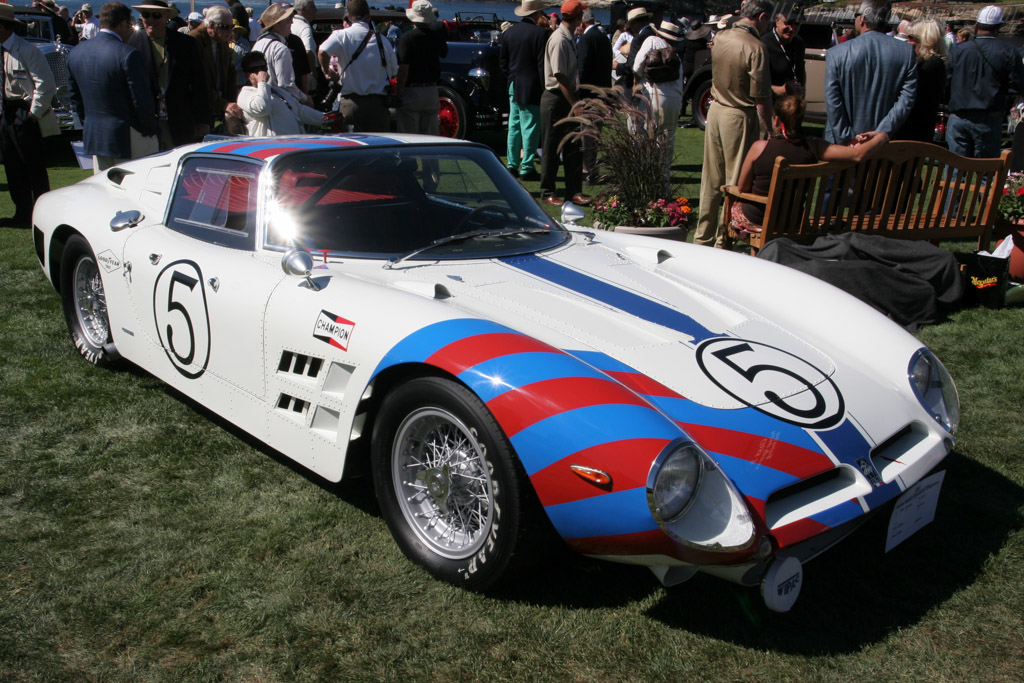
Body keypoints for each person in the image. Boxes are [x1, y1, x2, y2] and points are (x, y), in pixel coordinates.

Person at [731, 94, 889, 235]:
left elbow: (743, 188)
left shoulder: (759, 147)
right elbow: (857, 155)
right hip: (794, 221)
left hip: (759, 219)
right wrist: (881, 136)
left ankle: (756, 254)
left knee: (735, 203)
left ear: (777, 119)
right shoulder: (814, 147)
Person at [693, 0, 774, 248]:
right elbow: (761, 97)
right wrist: (769, 129)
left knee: (710, 179)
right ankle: (722, 240)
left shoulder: (721, 37)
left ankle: (702, 237)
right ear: (761, 17)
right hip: (738, 114)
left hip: (715, 110)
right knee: (734, 182)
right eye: (768, 20)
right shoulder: (755, 47)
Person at [67, 1, 158, 172]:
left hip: (96, 135)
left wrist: (89, 123)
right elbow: (141, 101)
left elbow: (75, 99)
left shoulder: (76, 53)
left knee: (104, 192)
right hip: (130, 136)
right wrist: (150, 130)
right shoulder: (128, 54)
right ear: (124, 24)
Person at [824, 0, 917, 146]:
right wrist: (881, 132)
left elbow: (833, 100)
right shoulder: (906, 52)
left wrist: (847, 137)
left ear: (862, 19)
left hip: (842, 147)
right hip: (882, 146)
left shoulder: (836, 53)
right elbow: (906, 99)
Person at [0, 5, 60, 226]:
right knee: (12, 165)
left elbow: (45, 85)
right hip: (4, 111)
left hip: (22, 111)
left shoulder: (26, 50)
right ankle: (22, 212)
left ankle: (42, 213)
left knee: (33, 166)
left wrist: (33, 114)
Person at [128, 0, 209, 149]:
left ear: (166, 17)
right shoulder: (132, 44)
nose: (151, 20)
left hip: (179, 120)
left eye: (156, 15)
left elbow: (199, 83)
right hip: (145, 123)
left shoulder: (186, 44)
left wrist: (202, 120)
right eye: (146, 15)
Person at [947, 5, 1024, 158]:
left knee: (955, 171)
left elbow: (947, 80)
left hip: (958, 116)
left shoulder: (959, 50)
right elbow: (1017, 85)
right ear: (999, 27)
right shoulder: (1009, 52)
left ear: (976, 26)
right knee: (985, 174)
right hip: (988, 117)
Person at [318, 0, 397, 132]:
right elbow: (394, 70)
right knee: (378, 148)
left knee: (349, 148)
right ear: (368, 16)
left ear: (348, 15)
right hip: (378, 105)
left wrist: (327, 72)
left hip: (351, 104)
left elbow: (322, 52)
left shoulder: (341, 35)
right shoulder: (382, 41)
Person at [539, 0, 587, 207]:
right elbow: (559, 76)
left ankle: (573, 190)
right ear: (578, 18)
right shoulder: (559, 39)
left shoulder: (567, 38)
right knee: (551, 147)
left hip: (565, 96)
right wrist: (575, 102)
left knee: (573, 146)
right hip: (557, 98)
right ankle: (548, 191)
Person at [632, 20, 684, 194]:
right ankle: (664, 188)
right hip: (674, 100)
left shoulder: (651, 41)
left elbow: (636, 66)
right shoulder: (676, 55)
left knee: (647, 142)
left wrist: (638, 82)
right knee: (666, 146)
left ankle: (646, 187)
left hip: (653, 96)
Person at [500, 0, 547, 179]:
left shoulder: (510, 33)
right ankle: (527, 166)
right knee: (530, 127)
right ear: (536, 14)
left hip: (514, 83)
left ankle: (512, 164)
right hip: (531, 85)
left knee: (514, 126)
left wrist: (511, 77)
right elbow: (541, 65)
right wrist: (544, 87)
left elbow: (503, 62)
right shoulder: (540, 34)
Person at [237, 51, 327, 136]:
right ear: (247, 74)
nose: (261, 72)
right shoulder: (245, 94)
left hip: (293, 144)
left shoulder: (277, 91)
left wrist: (326, 118)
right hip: (268, 146)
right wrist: (262, 83)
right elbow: (262, 108)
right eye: (255, 70)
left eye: (263, 68)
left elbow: (299, 110)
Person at [394, 0, 446, 136]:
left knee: (409, 138)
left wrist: (398, 94)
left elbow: (403, 69)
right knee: (430, 138)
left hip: (412, 90)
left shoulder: (407, 38)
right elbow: (444, 53)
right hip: (431, 90)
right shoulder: (436, 36)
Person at [190, 6, 243, 135]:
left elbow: (231, 73)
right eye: (225, 27)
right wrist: (225, 105)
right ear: (212, 25)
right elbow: (198, 83)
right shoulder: (194, 40)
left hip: (219, 107)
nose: (230, 32)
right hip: (200, 111)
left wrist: (232, 102)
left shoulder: (221, 38)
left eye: (232, 28)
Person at [895, 19, 946, 143]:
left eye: (911, 37)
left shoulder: (931, 65)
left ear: (925, 39)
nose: (908, 41)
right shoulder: (924, 63)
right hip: (913, 131)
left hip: (913, 133)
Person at [576, 7, 611, 183]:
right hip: (602, 93)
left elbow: (582, 69)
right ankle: (593, 170)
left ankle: (587, 171)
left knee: (587, 135)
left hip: (589, 94)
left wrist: (579, 96)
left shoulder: (586, 39)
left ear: (582, 22)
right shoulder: (604, 37)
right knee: (595, 134)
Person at [253, 3, 309, 104]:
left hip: (260, 98)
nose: (291, 22)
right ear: (277, 26)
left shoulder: (258, 44)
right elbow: (286, 85)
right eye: (287, 20)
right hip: (278, 104)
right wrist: (305, 98)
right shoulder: (281, 49)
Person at [762, 3, 805, 97]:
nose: (792, 28)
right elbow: (756, 84)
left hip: (793, 103)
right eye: (788, 23)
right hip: (771, 103)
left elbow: (800, 71)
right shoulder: (763, 44)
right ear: (777, 21)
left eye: (797, 24)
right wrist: (780, 90)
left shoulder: (799, 43)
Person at [291, 0, 318, 93]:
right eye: (313, 7)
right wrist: (313, 71)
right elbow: (308, 51)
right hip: (304, 74)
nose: (316, 10)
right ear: (303, 9)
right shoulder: (305, 27)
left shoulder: (290, 23)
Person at [681, 20, 710, 88]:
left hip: (686, 66)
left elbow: (683, 51)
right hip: (697, 65)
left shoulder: (687, 41)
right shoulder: (702, 42)